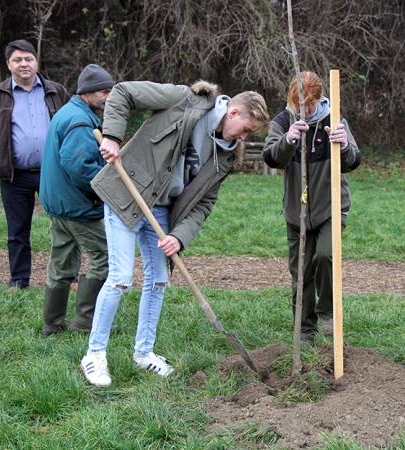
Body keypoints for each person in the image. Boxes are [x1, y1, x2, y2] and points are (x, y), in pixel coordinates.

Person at [80, 80, 270, 387]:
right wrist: (113, 136)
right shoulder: (184, 99)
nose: (244, 138)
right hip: (128, 195)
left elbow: (204, 203)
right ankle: (94, 355)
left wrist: (179, 236)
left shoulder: (225, 157)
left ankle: (143, 353)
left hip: (161, 211)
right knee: (120, 278)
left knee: (158, 279)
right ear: (233, 111)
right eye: (245, 129)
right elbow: (123, 92)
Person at [262, 72, 361, 346]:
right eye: (299, 104)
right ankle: (305, 331)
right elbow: (271, 159)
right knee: (301, 274)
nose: (305, 110)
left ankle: (327, 311)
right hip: (297, 212)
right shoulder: (283, 122)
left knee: (326, 256)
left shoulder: (335, 119)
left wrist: (342, 146)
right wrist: (289, 140)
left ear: (319, 98)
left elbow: (354, 161)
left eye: (310, 104)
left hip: (331, 207)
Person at [0, 39, 70, 290]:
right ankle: (19, 280)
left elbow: (74, 125)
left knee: (65, 226)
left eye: (28, 59)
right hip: (15, 175)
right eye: (17, 59)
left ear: (37, 62)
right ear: (8, 64)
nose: (23, 64)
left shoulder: (57, 91)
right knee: (17, 231)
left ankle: (69, 277)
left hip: (54, 173)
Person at [39, 64, 115, 337]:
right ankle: (85, 320)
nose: (108, 97)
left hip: (57, 205)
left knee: (62, 262)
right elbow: (79, 167)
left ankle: (52, 323)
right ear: (87, 93)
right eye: (104, 92)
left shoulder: (68, 113)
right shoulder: (81, 122)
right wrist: (106, 190)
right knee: (104, 257)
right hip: (78, 206)